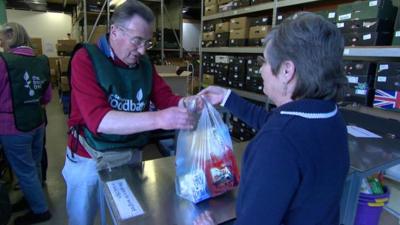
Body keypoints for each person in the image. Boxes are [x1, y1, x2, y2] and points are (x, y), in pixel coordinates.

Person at [196, 12, 350, 225]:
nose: (260, 70)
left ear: (287, 70)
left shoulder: (277, 143)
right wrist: (226, 97)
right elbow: (277, 123)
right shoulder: (329, 116)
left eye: (265, 62)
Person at [61, 1, 197, 225]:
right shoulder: (86, 59)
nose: (143, 50)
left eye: (147, 42)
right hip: (89, 158)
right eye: (137, 41)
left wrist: (188, 103)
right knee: (81, 218)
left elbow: (165, 99)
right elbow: (99, 119)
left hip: (129, 155)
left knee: (129, 218)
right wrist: (159, 119)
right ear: (115, 31)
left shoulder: (144, 65)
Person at [0, 22, 52, 225]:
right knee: (35, 164)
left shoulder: (4, 61)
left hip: (12, 126)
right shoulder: (41, 60)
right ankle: (31, 198)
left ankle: (40, 211)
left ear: (11, 36)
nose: (1, 44)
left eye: (2, 39)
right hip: (37, 123)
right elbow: (46, 96)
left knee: (24, 170)